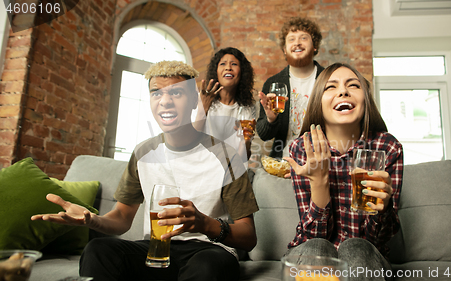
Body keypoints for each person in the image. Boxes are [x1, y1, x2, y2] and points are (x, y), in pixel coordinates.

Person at [32, 61, 259, 281]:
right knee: (98, 249)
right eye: (156, 93)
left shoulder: (226, 155)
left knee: (208, 265)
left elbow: (248, 237)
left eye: (176, 93)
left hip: (208, 251)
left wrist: (205, 223)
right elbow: (121, 217)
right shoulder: (143, 152)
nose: (165, 101)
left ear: (194, 100)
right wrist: (92, 220)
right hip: (156, 250)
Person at [283, 63, 404, 281]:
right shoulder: (302, 148)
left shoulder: (387, 148)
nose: (343, 91)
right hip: (313, 248)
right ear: (318, 102)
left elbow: (377, 240)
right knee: (317, 249)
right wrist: (319, 181)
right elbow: (312, 237)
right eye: (331, 87)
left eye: (353, 85)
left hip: (366, 253)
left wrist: (383, 207)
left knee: (357, 247)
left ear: (365, 100)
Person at [257, 17, 325, 158]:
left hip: (321, 162)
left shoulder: (329, 79)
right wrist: (271, 120)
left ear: (315, 46)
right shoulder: (273, 83)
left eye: (304, 38)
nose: (297, 43)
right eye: (291, 39)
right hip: (284, 163)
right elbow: (264, 135)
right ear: (284, 49)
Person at [198, 47, 256, 164]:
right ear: (216, 72)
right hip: (206, 171)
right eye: (223, 64)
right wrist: (203, 107)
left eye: (234, 64)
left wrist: (245, 141)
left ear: (242, 73)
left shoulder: (247, 109)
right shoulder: (203, 100)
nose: (228, 68)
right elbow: (190, 142)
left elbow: (243, 158)